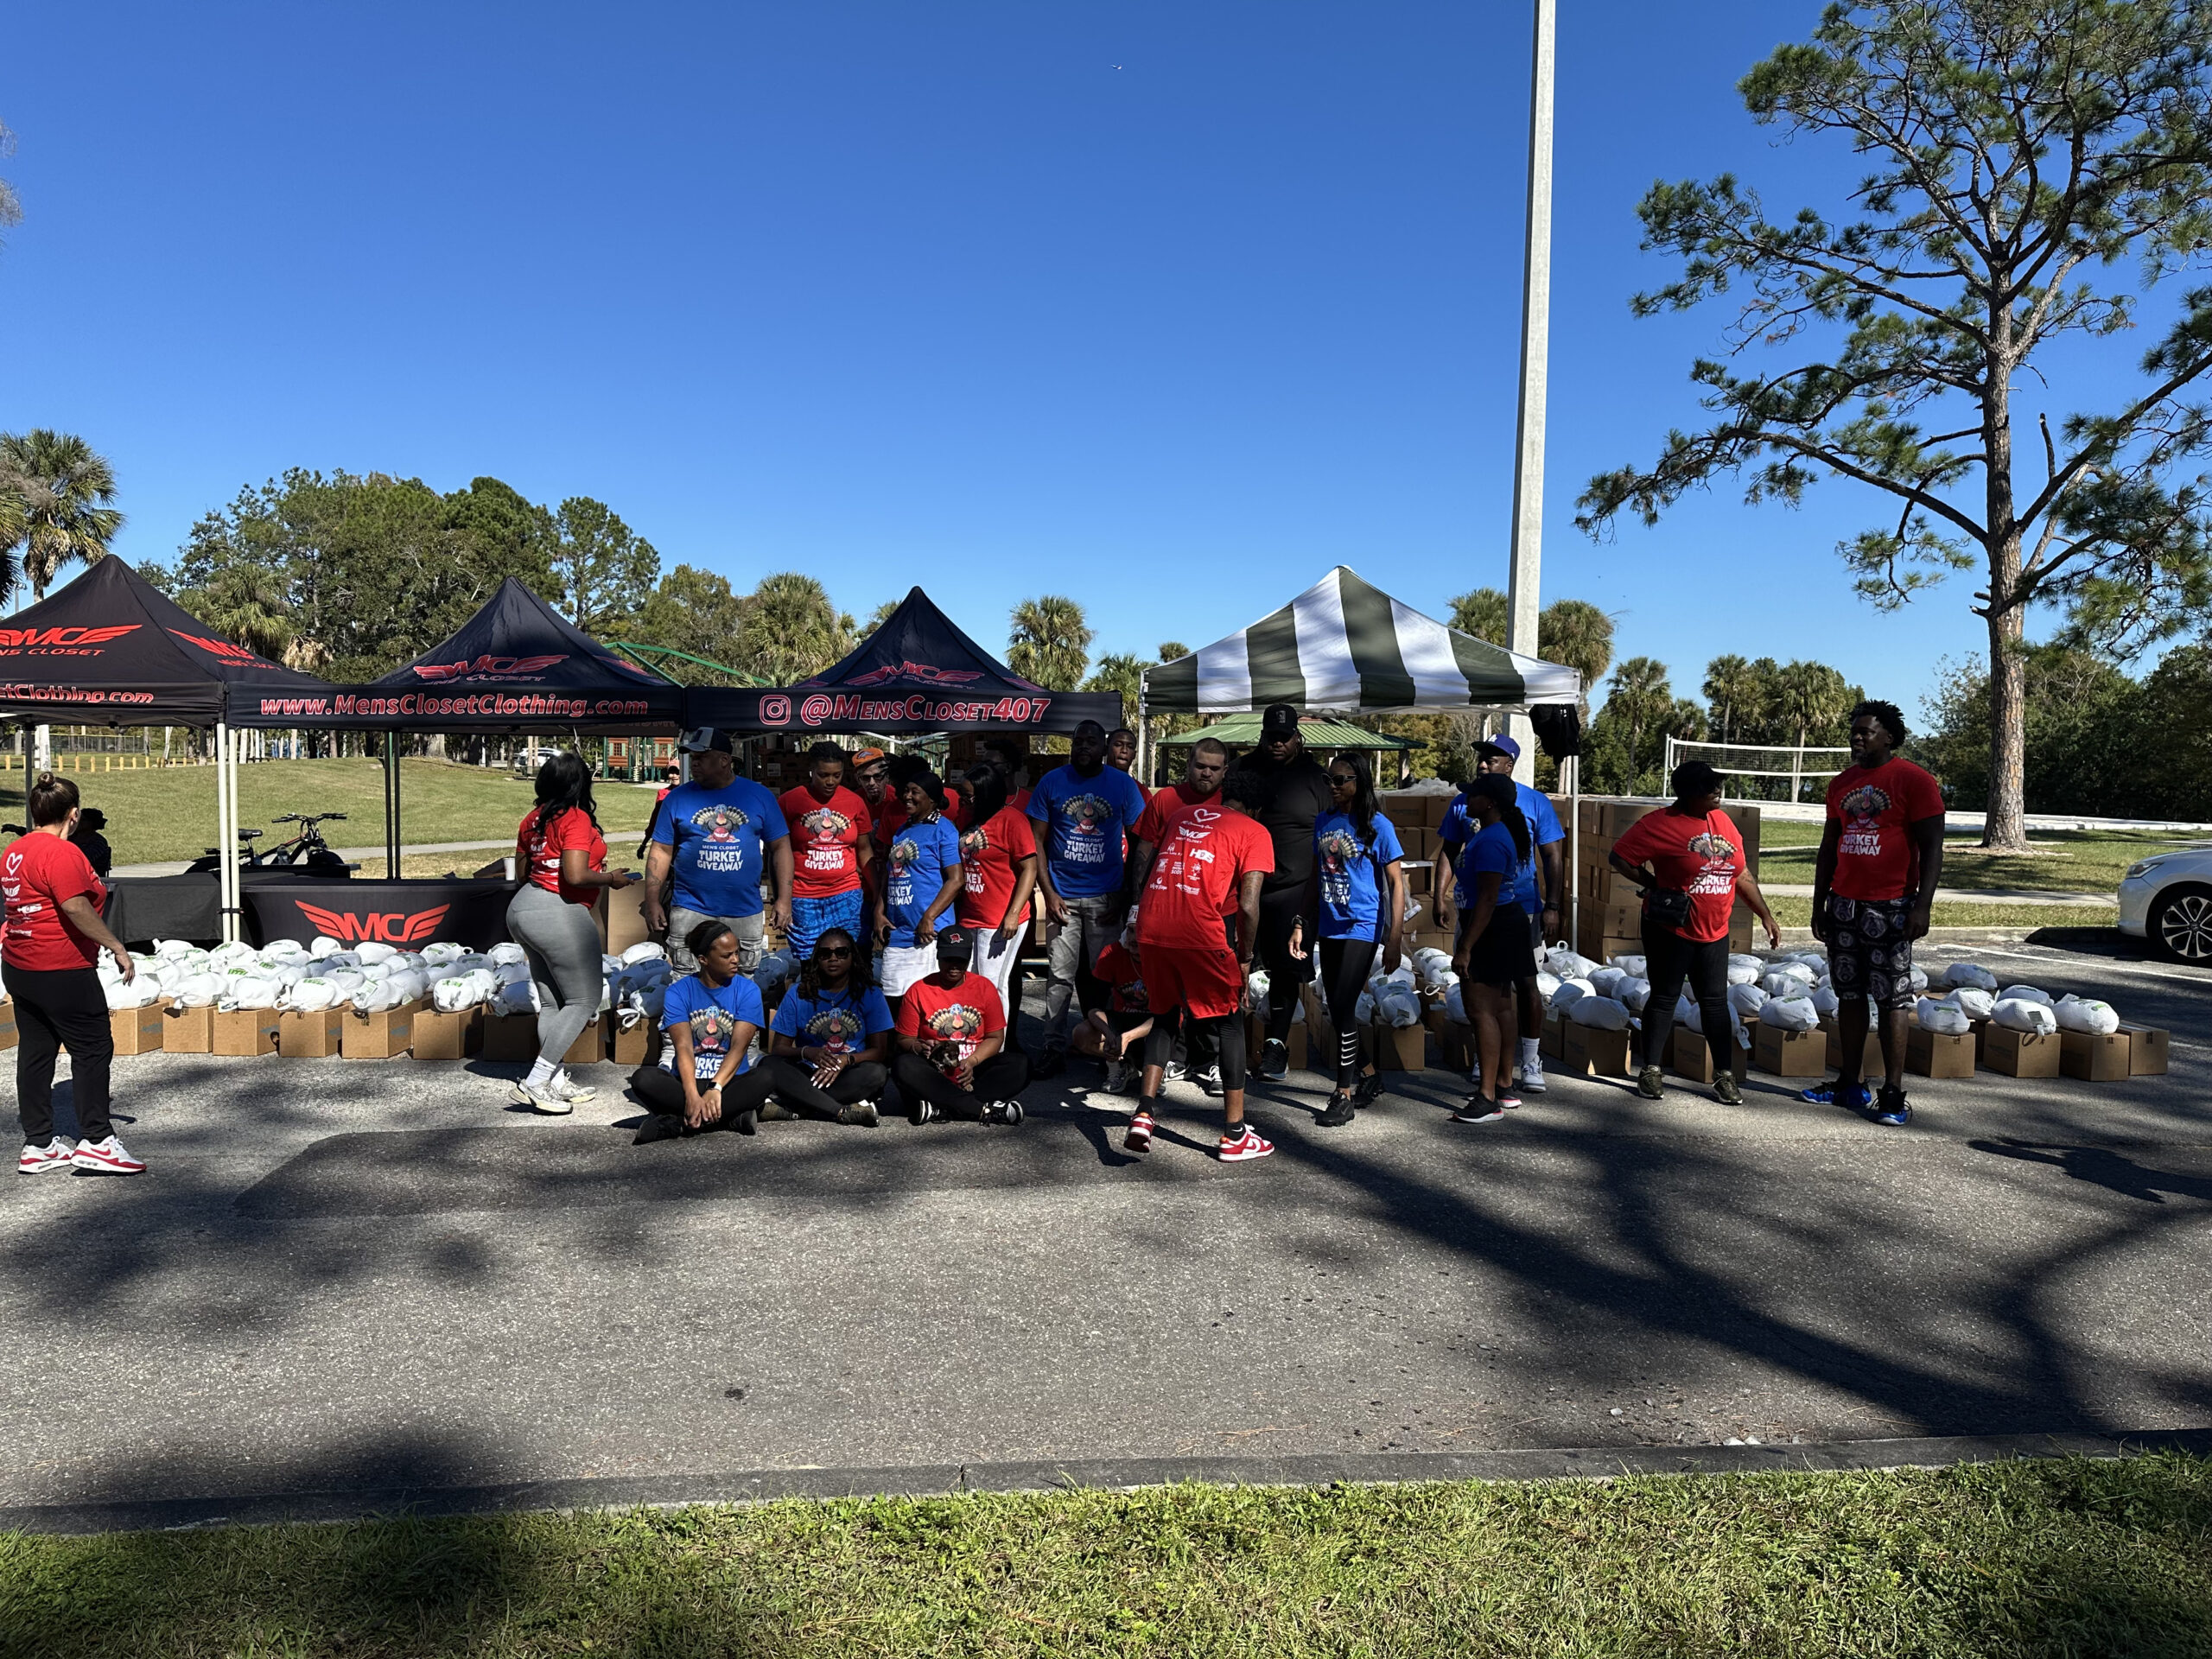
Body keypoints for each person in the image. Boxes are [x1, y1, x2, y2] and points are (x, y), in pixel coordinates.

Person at [1124, 767, 1276, 1163]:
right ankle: (1235, 1134)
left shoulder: (1182, 815)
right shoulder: (1254, 831)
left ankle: (1143, 1113)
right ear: (1257, 807)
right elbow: (1247, 904)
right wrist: (1244, 957)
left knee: (1164, 1015)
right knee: (1229, 1022)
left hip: (1153, 925)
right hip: (1199, 930)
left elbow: (1151, 865)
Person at [1806, 701, 1945, 1127]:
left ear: (1889, 737)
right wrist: (1820, 902)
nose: (1858, 737)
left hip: (1892, 907)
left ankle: (1892, 1093)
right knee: (1848, 996)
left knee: (1891, 1000)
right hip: (1844, 904)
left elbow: (1934, 848)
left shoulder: (1915, 781)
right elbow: (1829, 846)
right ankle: (1850, 1082)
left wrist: (1922, 904)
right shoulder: (1841, 784)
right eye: (1855, 731)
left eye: (1866, 731)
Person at [1609, 761, 1783, 1103]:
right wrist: (1653, 884)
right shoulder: (1659, 824)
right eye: (1708, 787)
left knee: (1716, 1003)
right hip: (1670, 928)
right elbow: (1620, 857)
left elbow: (1741, 874)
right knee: (1664, 997)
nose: (1716, 791)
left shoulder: (1723, 821)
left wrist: (1766, 915)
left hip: (1714, 930)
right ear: (1687, 793)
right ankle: (1651, 1071)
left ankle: (1724, 1075)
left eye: (1717, 785)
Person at [7, 772, 143, 1175]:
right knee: (93, 1048)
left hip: (20, 965)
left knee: (36, 1051)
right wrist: (116, 946)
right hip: (60, 966)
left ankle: (39, 1143)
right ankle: (98, 1140)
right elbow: (74, 906)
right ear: (74, 814)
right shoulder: (62, 854)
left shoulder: (15, 851)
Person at [508, 751, 635, 1114]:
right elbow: (575, 876)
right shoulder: (575, 818)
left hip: (522, 906)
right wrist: (611, 878)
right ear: (580, 784)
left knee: (553, 1002)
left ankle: (553, 1078)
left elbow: (520, 872)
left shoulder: (531, 818)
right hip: (558, 910)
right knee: (585, 1000)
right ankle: (536, 1080)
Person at [1438, 734, 1566, 1095]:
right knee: (1496, 996)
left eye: (1492, 758)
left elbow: (1553, 856)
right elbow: (1448, 849)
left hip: (1512, 911)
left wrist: (1553, 905)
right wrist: (1440, 895)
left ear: (1509, 764)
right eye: (1481, 756)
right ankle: (1494, 1063)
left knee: (1520, 987)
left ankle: (1529, 1060)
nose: (1482, 762)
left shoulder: (1532, 805)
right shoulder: (1465, 804)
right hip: (1483, 910)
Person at [1289, 753, 1407, 1127]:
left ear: (1360, 782)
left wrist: (1394, 937)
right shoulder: (1324, 821)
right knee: (1337, 1008)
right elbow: (1314, 878)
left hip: (1363, 924)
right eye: (1329, 779)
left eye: (1342, 779)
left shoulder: (1377, 826)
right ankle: (1369, 1072)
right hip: (1330, 924)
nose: (1334, 786)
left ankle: (1343, 1093)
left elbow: (1397, 886)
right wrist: (1300, 923)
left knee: (1342, 1000)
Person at [1027, 719, 1148, 1076]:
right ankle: (1053, 1047)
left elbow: (1140, 841)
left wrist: (1124, 896)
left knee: (1106, 978)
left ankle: (1110, 1046)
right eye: (1078, 742)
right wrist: (1047, 892)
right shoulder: (1052, 782)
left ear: (1104, 747)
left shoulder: (1122, 785)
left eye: (1091, 742)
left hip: (1105, 900)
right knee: (1059, 978)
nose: (1083, 748)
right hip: (1061, 898)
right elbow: (1035, 841)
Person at [1230, 704, 1334, 1084]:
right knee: (1232, 964)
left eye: (1284, 737)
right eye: (1271, 736)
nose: (1277, 743)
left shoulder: (1316, 778)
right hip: (1238, 887)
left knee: (1286, 970)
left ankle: (1276, 1045)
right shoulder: (1242, 769)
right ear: (1261, 735)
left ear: (1297, 737)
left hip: (1294, 891)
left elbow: (1331, 833)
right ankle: (1226, 1046)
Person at [645, 728, 792, 975]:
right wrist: (652, 900)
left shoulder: (758, 796)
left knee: (743, 985)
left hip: (744, 911)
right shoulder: (676, 799)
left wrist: (784, 900)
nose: (694, 763)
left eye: (701, 757)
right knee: (686, 982)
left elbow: (781, 848)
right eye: (692, 757)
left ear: (725, 760)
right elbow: (660, 850)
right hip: (690, 909)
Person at [631, 918, 776, 1142]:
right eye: (727, 956)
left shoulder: (748, 990)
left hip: (729, 1082)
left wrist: (715, 1088)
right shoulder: (678, 992)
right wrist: (691, 1095)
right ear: (703, 959)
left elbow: (738, 1048)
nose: (736, 960)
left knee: (766, 1076)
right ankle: (731, 1119)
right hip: (689, 1079)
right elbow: (684, 1047)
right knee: (643, 1079)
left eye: (736, 953)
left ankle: (677, 1124)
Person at [1447, 774, 1536, 1124]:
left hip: (1491, 926)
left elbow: (1487, 897)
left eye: (1474, 796)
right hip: (1504, 924)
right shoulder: (1497, 834)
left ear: (1491, 803)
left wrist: (1465, 946)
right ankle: (1502, 1084)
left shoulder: (1489, 840)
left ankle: (1486, 1098)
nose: (1467, 801)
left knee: (1480, 1009)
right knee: (1501, 1007)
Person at [892, 926, 1030, 1123]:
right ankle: (980, 1109)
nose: (954, 966)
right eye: (949, 959)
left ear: (968, 958)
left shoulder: (984, 987)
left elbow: (996, 1037)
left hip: (973, 1068)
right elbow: (904, 1039)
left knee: (1020, 1065)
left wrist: (972, 1062)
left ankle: (943, 1107)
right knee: (903, 1065)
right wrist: (919, 1047)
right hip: (935, 1070)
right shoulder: (918, 990)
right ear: (939, 957)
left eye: (961, 960)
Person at [762, 929, 891, 1126]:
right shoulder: (799, 992)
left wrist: (846, 1060)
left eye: (841, 952)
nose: (833, 958)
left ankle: (801, 1106)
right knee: (769, 1065)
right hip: (808, 1073)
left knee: (877, 1073)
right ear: (817, 959)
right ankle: (838, 1110)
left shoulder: (870, 993)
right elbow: (779, 1048)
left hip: (848, 1072)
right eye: (825, 954)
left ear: (852, 956)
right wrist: (807, 1052)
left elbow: (880, 1051)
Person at [954, 763, 1038, 1020]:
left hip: (1000, 919)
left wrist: (1013, 914)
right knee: (968, 982)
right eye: (962, 795)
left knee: (991, 984)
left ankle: (995, 1048)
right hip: (969, 916)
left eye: (968, 796)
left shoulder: (1013, 821)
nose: (964, 801)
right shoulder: (966, 819)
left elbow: (1029, 869)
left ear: (986, 794)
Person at [779, 743, 875, 963]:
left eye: (837, 775)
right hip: (803, 896)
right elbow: (778, 852)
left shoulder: (854, 802)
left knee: (849, 956)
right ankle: (812, 997)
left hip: (846, 894)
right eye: (823, 775)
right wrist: (781, 898)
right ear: (811, 770)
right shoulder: (790, 801)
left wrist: (878, 895)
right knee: (810, 958)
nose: (830, 781)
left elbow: (864, 850)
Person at [874, 769, 963, 1000]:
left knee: (929, 1007)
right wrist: (879, 909)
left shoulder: (944, 829)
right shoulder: (903, 830)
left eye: (916, 792)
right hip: (898, 934)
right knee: (893, 1003)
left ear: (932, 798)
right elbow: (890, 873)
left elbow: (956, 879)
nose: (908, 797)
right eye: (906, 791)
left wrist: (929, 917)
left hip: (928, 936)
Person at [1072, 927, 1153, 1094]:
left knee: (1166, 1028)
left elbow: (1169, 1016)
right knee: (1082, 1033)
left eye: (1139, 931)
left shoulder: (1163, 956)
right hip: (1122, 1017)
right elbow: (1094, 1007)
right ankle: (1119, 1066)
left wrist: (1128, 1037)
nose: (1133, 937)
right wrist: (1109, 1035)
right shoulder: (1112, 952)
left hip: (1153, 1027)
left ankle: (1154, 1070)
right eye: (1130, 930)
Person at [980, 737, 1032, 812]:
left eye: (989, 764)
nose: (983, 768)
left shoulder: (1030, 801)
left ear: (1008, 767)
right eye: (982, 764)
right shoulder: (978, 800)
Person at [68, 807, 112, 880]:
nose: (78, 822)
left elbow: (86, 859)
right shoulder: (69, 837)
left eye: (83, 820)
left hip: (92, 878)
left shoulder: (98, 841)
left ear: (92, 823)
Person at [1106, 728, 1148, 799]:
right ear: (1106, 749)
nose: (1124, 750)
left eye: (1130, 747)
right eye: (1118, 745)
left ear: (1134, 755)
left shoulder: (1142, 793)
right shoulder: (1090, 783)